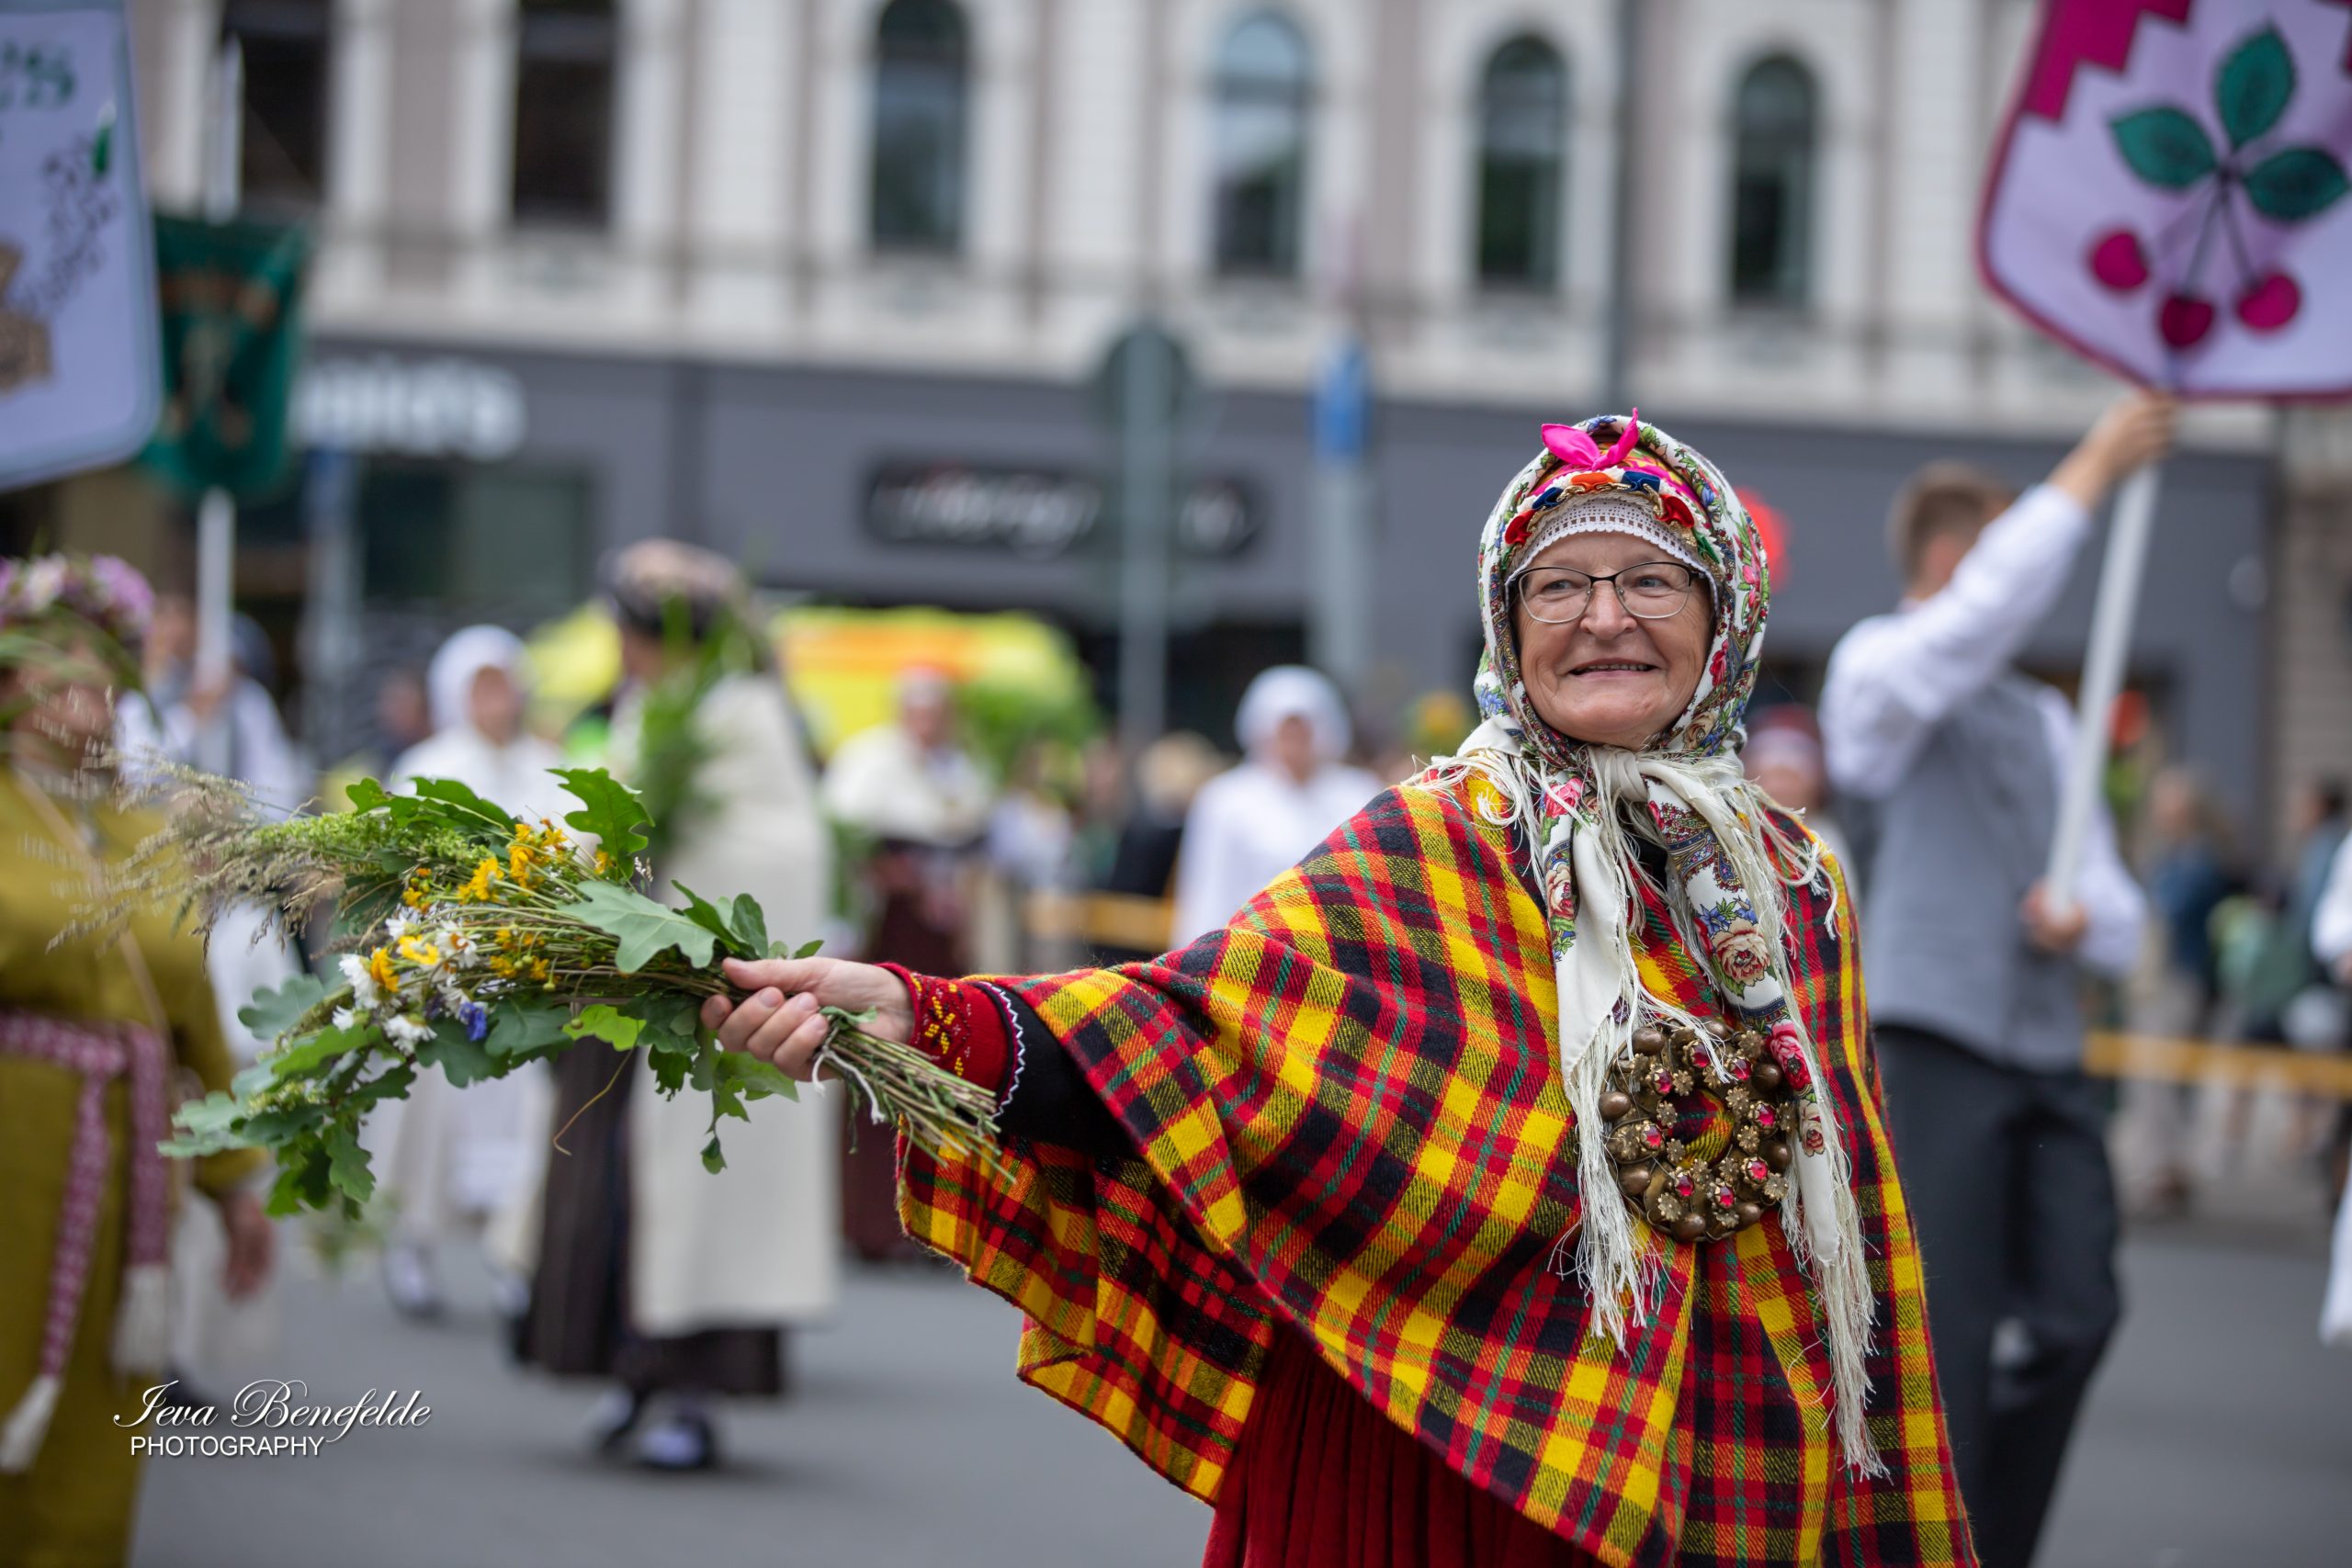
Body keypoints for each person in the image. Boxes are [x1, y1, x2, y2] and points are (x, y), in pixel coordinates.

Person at [704, 414, 1971, 1565]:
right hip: (1420, 1428)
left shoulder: (1792, 880)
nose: (1603, 617)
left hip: (1708, 1432)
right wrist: (925, 1016)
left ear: (1725, 612)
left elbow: (1838, 1203)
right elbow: (1198, 1030)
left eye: (1651, 580)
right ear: (1508, 622)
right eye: (1559, 585)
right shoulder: (1432, 837)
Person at [1819, 390, 2169, 1568]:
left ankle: (1989, 1541)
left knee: (2080, 1314)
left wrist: (2085, 919)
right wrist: (2094, 467)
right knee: (1946, 1335)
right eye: (2002, 552)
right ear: (1950, 560)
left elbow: (2115, 915)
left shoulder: (2046, 719)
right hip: (1930, 1041)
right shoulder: (1879, 674)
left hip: (2044, 1050)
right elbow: (1976, 620)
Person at [516, 541, 838, 1471]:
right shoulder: (647, 707)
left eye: (633, 629)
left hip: (709, 999)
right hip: (630, 982)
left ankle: (692, 1390)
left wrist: (686, 911)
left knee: (698, 1191)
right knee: (611, 1181)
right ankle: (631, 1369)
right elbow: (607, 821)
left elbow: (774, 851)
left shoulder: (739, 712)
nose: (623, 648)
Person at [0, 554, 274, 1565]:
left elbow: (191, 1014)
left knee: (96, 1427)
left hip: (125, 1163)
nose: (86, 675)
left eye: (106, 655)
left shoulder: (140, 826)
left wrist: (235, 1181)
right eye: (57, 651)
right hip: (12, 1148)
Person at [372, 625, 570, 1318]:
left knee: (521, 1118)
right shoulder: (428, 766)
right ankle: (413, 1244)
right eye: (482, 686)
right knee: (431, 1115)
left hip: (524, 974)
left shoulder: (547, 766)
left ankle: (511, 1255)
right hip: (449, 971)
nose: (497, 700)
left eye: (504, 684)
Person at [821, 669, 992, 1259]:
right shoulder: (869, 761)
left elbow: (975, 844)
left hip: (939, 946)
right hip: (885, 937)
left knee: (939, 1067)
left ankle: (934, 1223)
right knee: (877, 1067)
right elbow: (849, 841)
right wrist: (890, 873)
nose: (928, 724)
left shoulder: (960, 771)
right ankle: (872, 1221)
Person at [1169, 665, 1381, 946]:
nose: (1293, 742)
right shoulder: (1225, 799)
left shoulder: (1359, 793)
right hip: (1249, 948)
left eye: (1302, 730)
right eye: (1285, 730)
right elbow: (1207, 894)